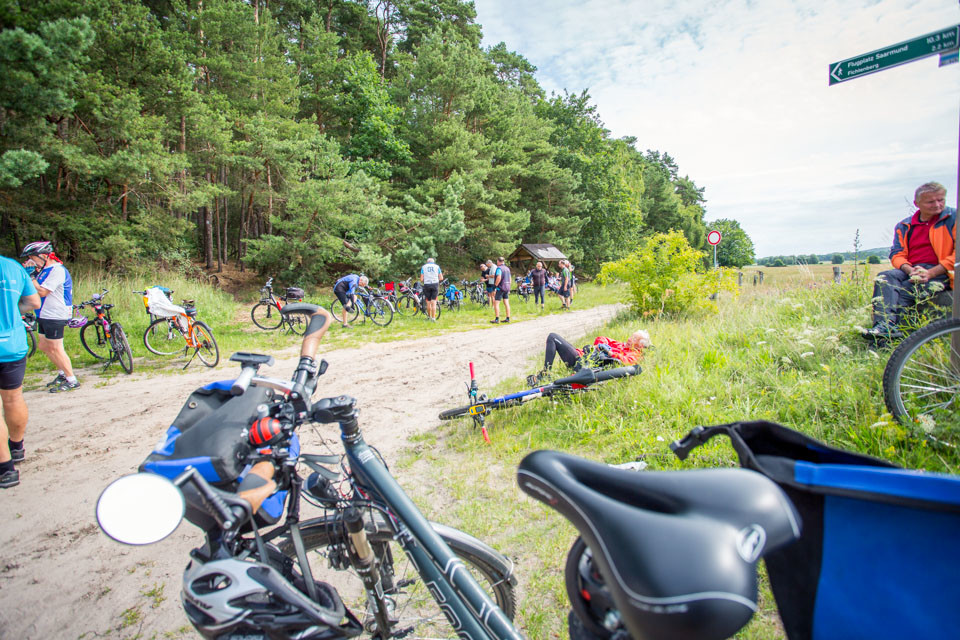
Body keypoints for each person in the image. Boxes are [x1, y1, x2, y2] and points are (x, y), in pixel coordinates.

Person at [865, 182, 956, 340]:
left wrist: (930, 273)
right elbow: (897, 254)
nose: (937, 205)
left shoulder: (954, 219)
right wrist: (910, 270)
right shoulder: (904, 225)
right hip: (912, 269)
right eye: (930, 202)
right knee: (885, 277)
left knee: (903, 292)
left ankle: (892, 338)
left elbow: (957, 254)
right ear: (917, 203)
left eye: (941, 200)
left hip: (942, 271)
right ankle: (883, 326)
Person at [0, 254, 42, 488]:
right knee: (13, 397)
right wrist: (13, 310)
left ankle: (5, 469)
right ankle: (16, 447)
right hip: (13, 344)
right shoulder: (12, 267)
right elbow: (34, 302)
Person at [20, 241, 78, 392]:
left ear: (44, 256)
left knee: (56, 348)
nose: (31, 261)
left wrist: (31, 276)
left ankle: (72, 379)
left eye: (32, 257)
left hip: (55, 314)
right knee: (44, 346)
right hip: (43, 313)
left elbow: (42, 292)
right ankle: (62, 373)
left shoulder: (57, 270)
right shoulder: (43, 270)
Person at [532, 330, 652, 383]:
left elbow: (626, 361)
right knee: (552, 337)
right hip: (580, 357)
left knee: (553, 336)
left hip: (587, 366)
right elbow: (601, 338)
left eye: (634, 339)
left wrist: (610, 353)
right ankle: (546, 372)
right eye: (631, 336)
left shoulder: (635, 354)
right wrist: (601, 345)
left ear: (640, 345)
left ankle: (547, 375)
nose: (630, 339)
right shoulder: (621, 344)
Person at [491, 257, 511, 324]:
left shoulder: (499, 268)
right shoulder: (507, 269)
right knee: (506, 303)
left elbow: (498, 277)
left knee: (496, 303)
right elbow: (510, 278)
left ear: (498, 261)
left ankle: (497, 319)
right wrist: (509, 286)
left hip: (500, 288)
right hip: (507, 287)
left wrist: (495, 286)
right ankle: (508, 318)